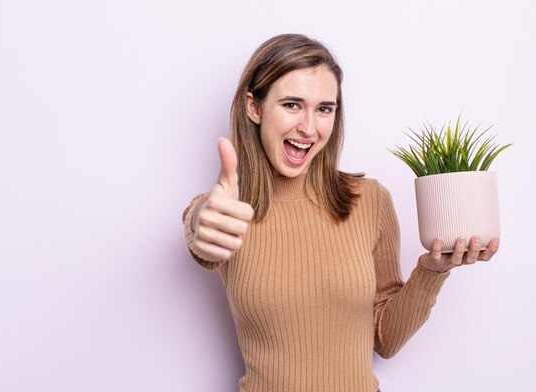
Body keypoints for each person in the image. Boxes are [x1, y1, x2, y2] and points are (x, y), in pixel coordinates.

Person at [182, 33, 500, 392]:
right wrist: (200, 222)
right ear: (254, 108)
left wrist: (432, 270)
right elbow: (201, 232)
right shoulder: (226, 212)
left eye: (324, 109)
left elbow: (386, 340)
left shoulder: (369, 200)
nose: (309, 127)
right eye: (291, 105)